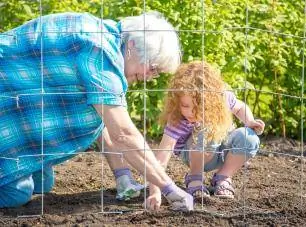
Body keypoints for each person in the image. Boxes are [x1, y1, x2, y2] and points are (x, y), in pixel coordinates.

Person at [0, 12, 193, 211]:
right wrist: (170, 189)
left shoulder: (106, 36)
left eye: (156, 73)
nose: (148, 77)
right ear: (133, 46)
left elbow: (103, 118)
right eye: (152, 68)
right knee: (18, 192)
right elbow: (123, 134)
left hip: (13, 99)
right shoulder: (99, 54)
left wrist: (122, 176)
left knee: (43, 183)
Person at [146, 61, 265, 210]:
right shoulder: (178, 120)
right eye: (185, 106)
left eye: (198, 107)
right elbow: (162, 156)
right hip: (192, 153)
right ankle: (195, 178)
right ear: (177, 101)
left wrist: (250, 121)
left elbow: (240, 107)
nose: (191, 112)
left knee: (249, 136)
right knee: (205, 129)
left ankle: (223, 177)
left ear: (211, 102)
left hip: (222, 152)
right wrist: (155, 191)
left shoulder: (222, 98)